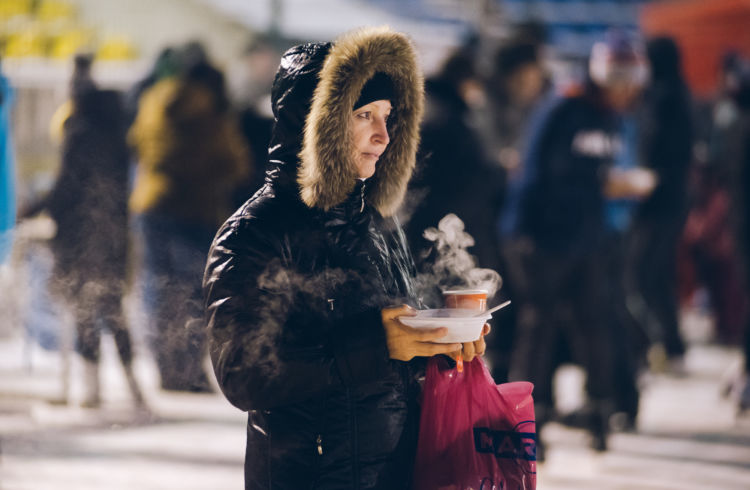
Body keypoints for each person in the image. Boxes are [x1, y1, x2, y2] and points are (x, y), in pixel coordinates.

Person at [203, 26, 490, 489]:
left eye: (387, 116)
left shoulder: (376, 226)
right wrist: (379, 345)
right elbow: (245, 377)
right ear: (318, 124)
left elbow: (395, 358)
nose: (381, 136)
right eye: (363, 115)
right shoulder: (255, 233)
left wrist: (440, 346)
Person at [501, 30, 652, 455]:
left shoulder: (612, 117)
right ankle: (528, 419)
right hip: (542, 239)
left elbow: (593, 176)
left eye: (630, 84)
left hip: (585, 238)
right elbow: (533, 176)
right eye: (618, 82)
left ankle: (600, 408)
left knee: (593, 324)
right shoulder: (563, 107)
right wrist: (524, 238)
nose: (624, 92)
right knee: (538, 328)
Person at [21, 54, 145, 408]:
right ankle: (134, 389)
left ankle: (91, 390)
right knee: (113, 307)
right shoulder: (120, 134)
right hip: (114, 235)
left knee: (86, 308)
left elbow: (66, 188)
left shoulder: (79, 130)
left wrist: (33, 209)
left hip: (80, 236)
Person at [129, 50, 249, 392]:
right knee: (194, 293)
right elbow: (233, 162)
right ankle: (188, 372)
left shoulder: (154, 100)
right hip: (195, 212)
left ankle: (164, 368)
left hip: (151, 206)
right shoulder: (212, 112)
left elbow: (136, 142)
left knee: (159, 290)